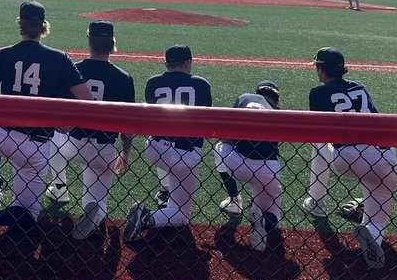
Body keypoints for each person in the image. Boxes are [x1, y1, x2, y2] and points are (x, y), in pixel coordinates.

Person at [0, 0, 93, 248]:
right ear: (43, 26)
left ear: (21, 25)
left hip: (0, 137)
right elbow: (87, 100)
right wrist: (69, 123)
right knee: (28, 213)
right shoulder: (60, 58)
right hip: (34, 145)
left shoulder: (2, 54)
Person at [299, 47, 396, 270]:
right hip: (385, 156)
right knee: (377, 218)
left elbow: (319, 131)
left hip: (349, 157)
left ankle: (317, 202)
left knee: (318, 144)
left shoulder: (318, 92)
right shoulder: (359, 87)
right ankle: (373, 234)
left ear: (321, 69)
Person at [47, 20, 135, 240]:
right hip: (104, 149)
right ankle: (96, 211)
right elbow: (127, 125)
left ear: (89, 41)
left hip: (71, 143)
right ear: (112, 43)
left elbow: (58, 111)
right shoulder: (124, 78)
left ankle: (59, 187)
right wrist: (125, 153)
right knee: (96, 200)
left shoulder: (73, 69)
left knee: (51, 135)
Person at [124, 44, 212, 242]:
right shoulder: (201, 84)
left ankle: (166, 191)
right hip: (185, 153)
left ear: (166, 64)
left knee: (166, 155)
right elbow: (206, 120)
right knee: (181, 215)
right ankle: (146, 217)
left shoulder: (153, 82)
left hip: (155, 148)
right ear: (188, 63)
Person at [215, 82, 283, 250]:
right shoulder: (279, 113)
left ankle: (234, 200)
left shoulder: (244, 98)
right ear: (276, 100)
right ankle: (263, 221)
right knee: (274, 215)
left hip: (237, 164)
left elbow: (224, 133)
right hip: (267, 171)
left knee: (219, 147)